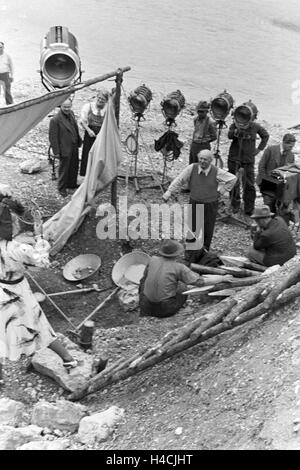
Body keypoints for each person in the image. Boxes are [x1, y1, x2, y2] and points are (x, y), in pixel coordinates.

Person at [0, 187, 78, 386]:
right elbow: (43, 262)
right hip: (17, 291)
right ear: (12, 225)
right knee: (39, 325)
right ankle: (69, 360)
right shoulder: (18, 249)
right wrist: (39, 235)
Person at [163, 150, 237, 251]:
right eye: (200, 159)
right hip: (195, 202)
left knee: (207, 229)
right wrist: (169, 191)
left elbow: (232, 179)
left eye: (205, 159)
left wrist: (221, 191)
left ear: (210, 160)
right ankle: (190, 252)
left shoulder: (216, 171)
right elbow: (180, 179)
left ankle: (204, 252)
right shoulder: (192, 168)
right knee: (193, 227)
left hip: (210, 204)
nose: (202, 161)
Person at [139, 239, 227, 318]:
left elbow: (144, 279)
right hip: (165, 309)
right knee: (182, 286)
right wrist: (222, 279)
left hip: (145, 306)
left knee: (144, 279)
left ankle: (145, 309)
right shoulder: (179, 267)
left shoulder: (152, 260)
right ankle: (167, 309)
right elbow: (200, 282)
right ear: (177, 254)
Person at [227, 118, 269, 215]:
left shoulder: (255, 126)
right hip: (234, 157)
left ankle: (249, 208)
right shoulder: (235, 124)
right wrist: (237, 130)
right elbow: (229, 135)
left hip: (248, 160)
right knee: (233, 182)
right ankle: (234, 205)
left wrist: (259, 149)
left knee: (249, 184)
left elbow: (265, 136)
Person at [49, 98, 82, 197]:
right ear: (60, 106)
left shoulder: (71, 114)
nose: (67, 109)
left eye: (68, 107)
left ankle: (71, 184)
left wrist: (79, 140)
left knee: (74, 165)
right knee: (64, 168)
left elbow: (75, 128)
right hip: (64, 147)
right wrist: (56, 151)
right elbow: (53, 137)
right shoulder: (55, 119)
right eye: (65, 107)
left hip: (74, 145)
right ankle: (61, 187)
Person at [256, 133, 296, 213]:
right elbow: (261, 166)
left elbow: (289, 172)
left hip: (280, 186)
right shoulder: (271, 149)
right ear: (284, 142)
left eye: (292, 146)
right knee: (268, 205)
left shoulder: (291, 155)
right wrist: (264, 181)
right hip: (266, 182)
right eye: (290, 146)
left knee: (278, 207)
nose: (291, 148)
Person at [79, 88, 110, 176]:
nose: (100, 100)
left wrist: (102, 133)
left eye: (103, 100)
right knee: (87, 153)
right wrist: (89, 130)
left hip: (101, 134)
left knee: (99, 155)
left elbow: (109, 124)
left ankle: (96, 174)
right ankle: (85, 174)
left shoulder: (107, 110)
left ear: (106, 101)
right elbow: (82, 121)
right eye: (99, 98)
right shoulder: (88, 106)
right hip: (89, 133)